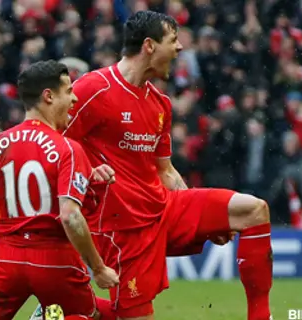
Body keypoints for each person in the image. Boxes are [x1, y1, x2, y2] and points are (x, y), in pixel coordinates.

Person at [35, 10, 273, 320]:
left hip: (163, 207)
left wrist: (199, 217)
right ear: (149, 45)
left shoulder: (160, 103)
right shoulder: (95, 89)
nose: (179, 48)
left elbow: (165, 171)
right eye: (173, 40)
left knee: (254, 211)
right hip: (122, 227)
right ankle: (70, 309)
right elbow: (49, 143)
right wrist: (86, 171)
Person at [0, 60, 120, 320]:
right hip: (55, 257)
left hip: (6, 258)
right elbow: (70, 215)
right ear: (49, 96)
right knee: (99, 315)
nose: (75, 98)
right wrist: (98, 268)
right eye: (68, 91)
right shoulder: (69, 148)